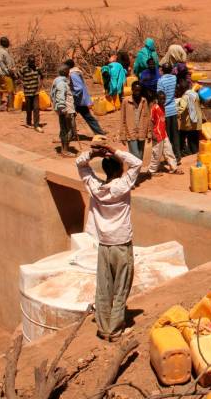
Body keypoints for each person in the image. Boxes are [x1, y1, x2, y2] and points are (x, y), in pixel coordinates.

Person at [76, 139, 142, 341]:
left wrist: (93, 154)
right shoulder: (122, 187)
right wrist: (116, 151)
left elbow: (80, 163)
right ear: (121, 170)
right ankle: (115, 329)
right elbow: (137, 163)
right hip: (121, 244)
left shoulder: (95, 188)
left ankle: (104, 327)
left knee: (104, 287)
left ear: (104, 169)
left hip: (104, 244)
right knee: (121, 287)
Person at [65, 58, 106, 136]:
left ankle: (69, 135)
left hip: (78, 100)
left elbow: (79, 88)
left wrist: (71, 95)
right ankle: (99, 132)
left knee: (70, 117)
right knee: (85, 117)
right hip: (80, 99)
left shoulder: (73, 74)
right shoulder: (76, 72)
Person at [148, 91, 182, 175]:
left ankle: (174, 168)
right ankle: (152, 171)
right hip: (157, 134)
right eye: (161, 99)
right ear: (157, 99)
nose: (163, 100)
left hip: (163, 133)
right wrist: (152, 133)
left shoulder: (163, 107)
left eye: (164, 99)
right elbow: (151, 122)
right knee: (157, 153)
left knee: (169, 151)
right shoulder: (154, 108)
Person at [120, 82, 151, 160]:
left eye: (139, 91)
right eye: (135, 90)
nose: (137, 93)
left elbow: (147, 118)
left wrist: (149, 132)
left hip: (142, 132)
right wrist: (122, 135)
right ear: (132, 90)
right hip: (130, 132)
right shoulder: (126, 101)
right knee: (135, 156)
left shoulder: (144, 101)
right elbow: (122, 119)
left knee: (140, 157)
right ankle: (135, 172)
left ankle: (137, 172)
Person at [51, 65, 77, 157]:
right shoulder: (62, 84)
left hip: (64, 110)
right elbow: (60, 97)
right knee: (68, 130)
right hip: (66, 111)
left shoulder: (59, 81)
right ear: (67, 73)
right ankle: (65, 151)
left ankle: (64, 149)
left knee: (64, 129)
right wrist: (64, 110)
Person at [157, 62, 181, 160]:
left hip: (165, 111)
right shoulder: (174, 78)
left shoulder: (160, 81)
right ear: (171, 70)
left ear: (162, 70)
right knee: (175, 134)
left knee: (167, 136)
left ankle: (171, 158)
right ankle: (177, 156)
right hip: (173, 110)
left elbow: (159, 96)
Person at [177, 81, 203, 157]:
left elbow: (181, 108)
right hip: (197, 121)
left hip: (188, 123)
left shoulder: (185, 96)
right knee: (194, 140)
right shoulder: (195, 94)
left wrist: (174, 113)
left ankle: (188, 154)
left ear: (182, 89)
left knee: (181, 137)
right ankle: (195, 154)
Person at [0, 36, 16, 111]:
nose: (9, 43)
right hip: (5, 74)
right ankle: (11, 107)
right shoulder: (5, 52)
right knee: (10, 90)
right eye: (7, 42)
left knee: (0, 90)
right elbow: (9, 65)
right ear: (5, 43)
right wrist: (13, 74)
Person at [20, 56, 43, 133]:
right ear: (28, 62)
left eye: (33, 62)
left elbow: (41, 76)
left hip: (35, 92)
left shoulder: (37, 69)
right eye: (31, 63)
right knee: (28, 108)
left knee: (36, 108)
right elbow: (17, 75)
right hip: (27, 92)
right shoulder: (24, 69)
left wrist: (40, 85)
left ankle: (36, 125)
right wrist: (22, 82)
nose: (32, 64)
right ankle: (28, 122)